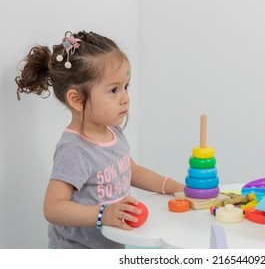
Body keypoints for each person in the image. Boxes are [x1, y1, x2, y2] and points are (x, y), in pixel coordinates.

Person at [15, 30, 185, 249]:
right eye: (113, 90)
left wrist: (170, 186)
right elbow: (53, 208)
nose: (125, 98)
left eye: (126, 87)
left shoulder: (113, 132)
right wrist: (103, 214)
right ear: (77, 99)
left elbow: (130, 170)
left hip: (110, 245)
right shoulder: (74, 150)